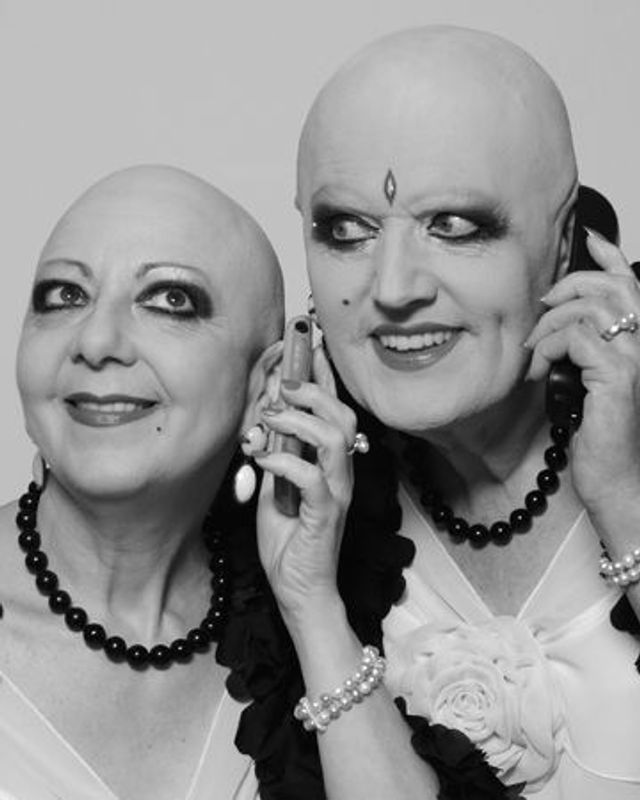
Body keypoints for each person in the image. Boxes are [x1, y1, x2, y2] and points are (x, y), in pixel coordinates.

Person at [237, 25, 640, 800]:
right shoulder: (300, 507)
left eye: (454, 226)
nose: (394, 289)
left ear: (564, 242)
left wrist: (626, 499)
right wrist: (312, 605)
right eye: (345, 231)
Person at [0, 164, 284, 800]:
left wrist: (314, 609)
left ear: (264, 388)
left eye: (170, 300)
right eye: (64, 296)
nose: (96, 340)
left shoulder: (310, 637)